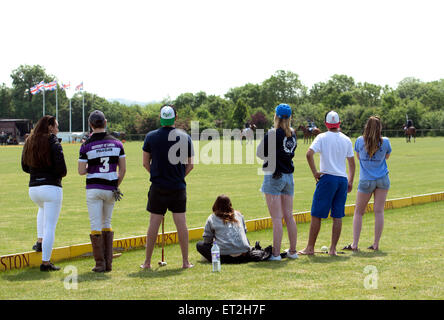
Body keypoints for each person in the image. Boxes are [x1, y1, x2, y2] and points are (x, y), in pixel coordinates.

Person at [140, 105, 194, 270]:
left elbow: (144, 163)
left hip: (157, 187)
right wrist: (177, 176)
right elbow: (190, 165)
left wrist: (156, 175)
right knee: (181, 224)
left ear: (160, 117)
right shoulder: (184, 137)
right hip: (177, 186)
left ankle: (147, 262)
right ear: (175, 117)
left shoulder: (151, 137)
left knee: (153, 225)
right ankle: (185, 262)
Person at [298, 111, 355, 256]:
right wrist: (350, 180)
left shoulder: (321, 137)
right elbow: (352, 164)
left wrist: (315, 173)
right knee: (338, 216)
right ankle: (333, 249)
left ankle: (310, 248)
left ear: (326, 124)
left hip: (327, 178)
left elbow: (309, 154)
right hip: (342, 180)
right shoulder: (347, 139)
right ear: (339, 123)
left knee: (316, 214)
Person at [78, 110, 126, 272]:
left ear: (90, 125)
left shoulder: (86, 145)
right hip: (110, 188)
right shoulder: (118, 143)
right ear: (105, 122)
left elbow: (80, 171)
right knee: (107, 222)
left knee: (95, 224)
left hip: (93, 188)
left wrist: (91, 164)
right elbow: (123, 169)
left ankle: (100, 264)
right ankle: (109, 264)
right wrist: (115, 185)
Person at [21, 115, 67, 271]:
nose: (58, 129)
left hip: (33, 189)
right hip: (51, 187)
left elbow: (24, 166)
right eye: (56, 126)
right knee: (50, 226)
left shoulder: (29, 141)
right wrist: (53, 175)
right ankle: (46, 262)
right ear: (49, 126)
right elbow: (62, 168)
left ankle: (39, 242)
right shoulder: (53, 141)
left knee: (41, 210)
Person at [256, 103, 298, 261]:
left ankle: (276, 254)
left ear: (276, 117)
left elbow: (260, 153)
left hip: (274, 176)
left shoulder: (273, 133)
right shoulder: (293, 134)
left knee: (276, 218)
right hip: (288, 176)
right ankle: (293, 251)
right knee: (289, 216)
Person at [343, 116, 391, 251]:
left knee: (358, 212)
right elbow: (386, 157)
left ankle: (355, 244)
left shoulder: (359, 141)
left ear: (366, 127)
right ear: (380, 128)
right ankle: (375, 244)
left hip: (366, 180)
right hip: (382, 179)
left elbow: (358, 157)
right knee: (379, 211)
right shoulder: (386, 142)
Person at [196, 195, 272, 263]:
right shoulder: (239, 215)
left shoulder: (212, 218)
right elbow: (244, 232)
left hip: (224, 257)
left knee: (199, 245)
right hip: (243, 254)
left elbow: (207, 239)